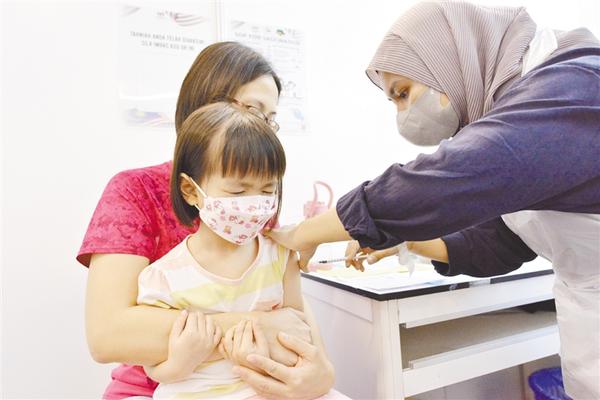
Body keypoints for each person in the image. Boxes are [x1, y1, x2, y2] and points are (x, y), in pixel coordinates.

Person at [265, 2, 600, 399]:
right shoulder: (515, 120)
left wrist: (306, 232)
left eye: (403, 93)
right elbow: (501, 242)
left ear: (449, 58)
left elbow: (448, 177)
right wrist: (409, 240)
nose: (403, 115)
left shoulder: (573, 83)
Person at [78, 42, 334, 399]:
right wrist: (255, 326)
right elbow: (108, 335)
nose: (261, 128)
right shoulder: (136, 191)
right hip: (156, 387)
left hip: (249, 383)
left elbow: (290, 313)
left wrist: (321, 371)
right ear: (203, 104)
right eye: (252, 110)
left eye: (270, 119)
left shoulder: (254, 204)